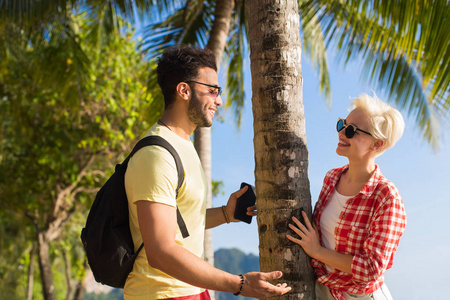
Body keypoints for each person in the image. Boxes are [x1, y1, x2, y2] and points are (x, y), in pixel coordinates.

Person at [124, 44, 291, 300]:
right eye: (212, 91)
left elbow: (181, 225)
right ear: (184, 90)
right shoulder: (157, 154)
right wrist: (240, 284)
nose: (220, 100)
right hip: (162, 293)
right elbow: (159, 250)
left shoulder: (184, 146)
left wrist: (226, 213)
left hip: (191, 291)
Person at [287, 93, 406, 300]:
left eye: (351, 130)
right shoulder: (332, 178)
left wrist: (317, 252)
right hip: (322, 290)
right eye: (342, 124)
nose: (342, 132)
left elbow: (371, 268)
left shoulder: (387, 197)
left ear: (377, 144)